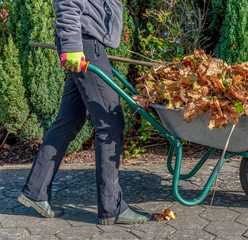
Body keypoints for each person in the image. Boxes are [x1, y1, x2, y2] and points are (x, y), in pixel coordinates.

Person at [17, 0, 151, 225]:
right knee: (110, 122)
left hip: (86, 41)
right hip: (83, 42)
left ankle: (35, 191)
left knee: (69, 120)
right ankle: (112, 207)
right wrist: (71, 45)